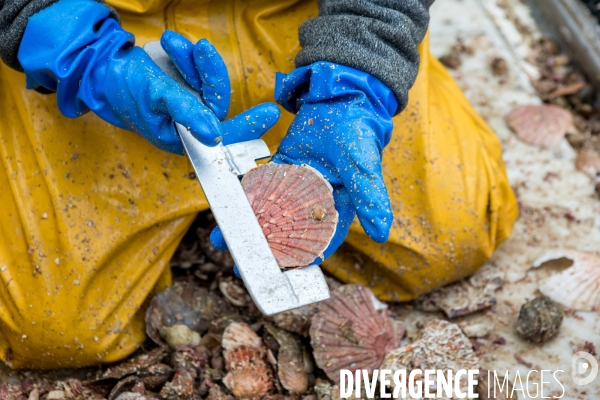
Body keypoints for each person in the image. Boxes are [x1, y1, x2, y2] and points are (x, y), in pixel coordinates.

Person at [0, 0, 517, 369]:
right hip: (96, 30)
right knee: (51, 331)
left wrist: (360, 68)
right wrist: (73, 48)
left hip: (308, 23)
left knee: (453, 236)